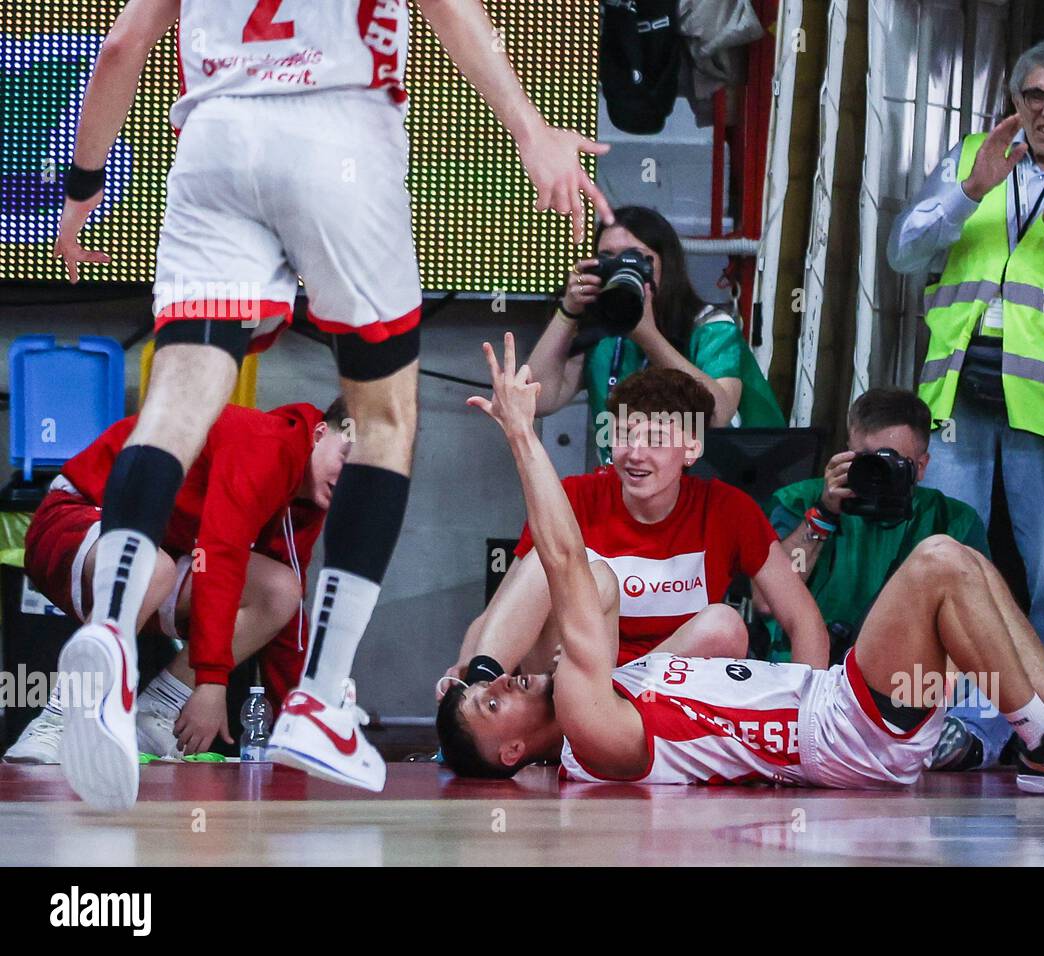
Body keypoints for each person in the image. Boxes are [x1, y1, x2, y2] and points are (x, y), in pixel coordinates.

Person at [51, 0, 612, 809]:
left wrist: (81, 191)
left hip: (214, 140)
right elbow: (453, 12)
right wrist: (529, 129)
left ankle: (109, 625)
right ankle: (320, 697)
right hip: (340, 135)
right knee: (384, 421)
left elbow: (120, 46)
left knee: (175, 404)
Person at [436, 333, 1044, 791]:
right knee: (939, 562)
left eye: (654, 436)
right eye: (492, 703)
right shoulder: (593, 729)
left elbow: (589, 579)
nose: (506, 687)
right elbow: (559, 560)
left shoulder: (613, 685)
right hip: (840, 730)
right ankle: (1042, 740)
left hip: (836, 705)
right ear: (514, 752)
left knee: (960, 560)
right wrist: (522, 433)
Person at [886, 38, 1044, 768]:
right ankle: (956, 727)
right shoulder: (975, 158)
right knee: (949, 563)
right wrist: (969, 191)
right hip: (958, 396)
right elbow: (903, 253)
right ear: (1015, 100)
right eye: (1035, 95)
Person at [3, 400, 349, 765]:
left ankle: (153, 716)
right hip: (77, 516)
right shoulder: (266, 445)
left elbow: (288, 625)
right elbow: (218, 558)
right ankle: (59, 720)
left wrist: (296, 729)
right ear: (319, 434)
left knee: (280, 591)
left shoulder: (307, 499)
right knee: (152, 567)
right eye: (346, 457)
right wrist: (211, 682)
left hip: (168, 550)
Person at [442, 366, 828, 691]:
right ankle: (475, 698)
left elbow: (804, 620)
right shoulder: (574, 496)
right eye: (625, 435)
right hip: (568, 677)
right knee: (546, 561)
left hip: (659, 691)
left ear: (692, 449)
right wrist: (462, 674)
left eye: (656, 439)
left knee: (725, 626)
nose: (636, 453)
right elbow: (500, 612)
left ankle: (616, 692)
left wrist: (803, 720)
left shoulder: (729, 509)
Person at [754, 387, 994, 771]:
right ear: (846, 453)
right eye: (865, 460)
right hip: (809, 680)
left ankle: (959, 737)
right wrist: (823, 515)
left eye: (893, 462)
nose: (878, 473)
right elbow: (766, 602)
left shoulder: (952, 519)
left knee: (994, 672)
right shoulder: (798, 501)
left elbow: (975, 631)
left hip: (906, 684)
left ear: (921, 466)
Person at [526, 205, 784, 462]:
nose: (622, 269)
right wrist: (568, 312)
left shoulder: (710, 327)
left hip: (717, 477)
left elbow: (717, 414)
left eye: (637, 259)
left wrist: (647, 336)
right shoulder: (602, 331)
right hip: (628, 476)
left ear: (666, 265)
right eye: (608, 259)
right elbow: (535, 400)